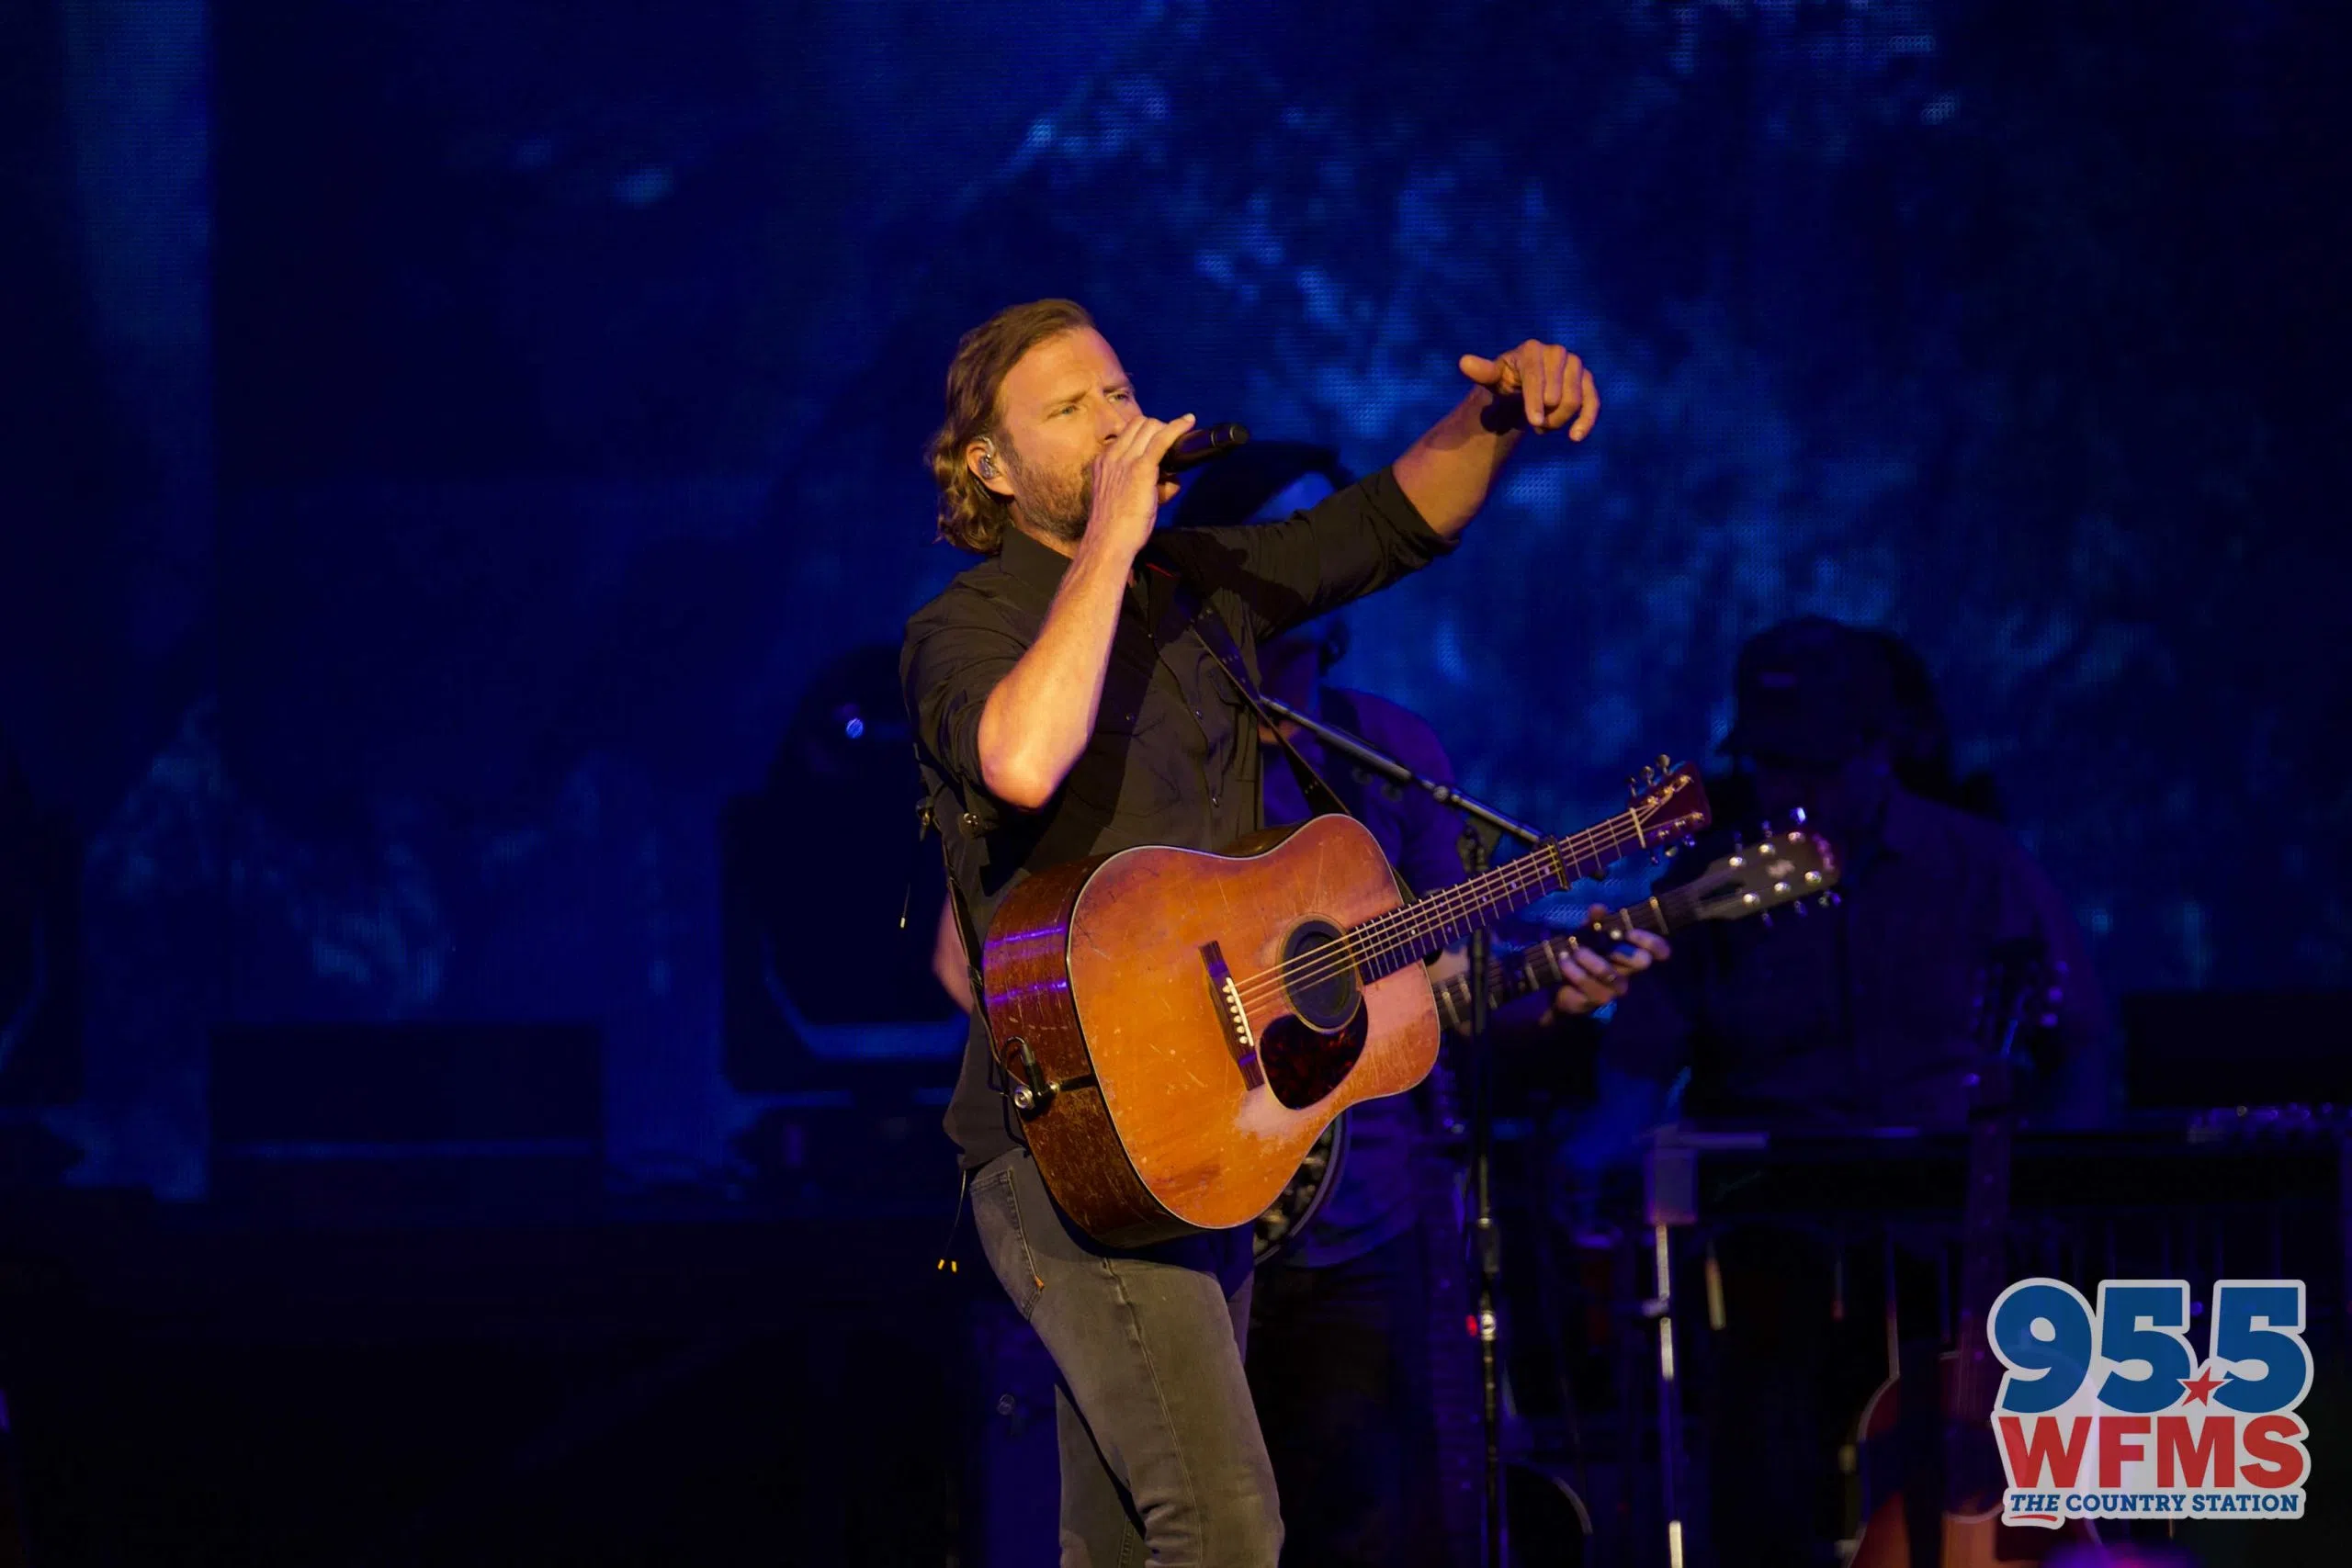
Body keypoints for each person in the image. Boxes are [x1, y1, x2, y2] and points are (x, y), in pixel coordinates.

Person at [901, 298, 1598, 1566]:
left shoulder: (1203, 587)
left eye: (1120, 394)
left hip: (1201, 1140)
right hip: (1068, 1147)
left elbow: (1393, 520)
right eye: (1070, 409)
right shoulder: (966, 627)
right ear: (990, 469)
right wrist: (1113, 538)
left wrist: (1495, 413)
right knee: (1224, 1526)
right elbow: (1021, 757)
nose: (1113, 421)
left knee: (1123, 1538)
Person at [1589, 615, 2112, 1566]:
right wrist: (1602, 1153)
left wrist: (2055, 1185)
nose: (1789, 794)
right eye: (1769, 767)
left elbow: (2079, 1038)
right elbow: (1638, 1056)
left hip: (1953, 1237)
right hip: (1769, 1235)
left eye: (1814, 767)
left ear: (1878, 750)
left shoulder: (1979, 864)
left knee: (1963, 1435)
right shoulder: (1713, 880)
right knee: (1763, 1421)